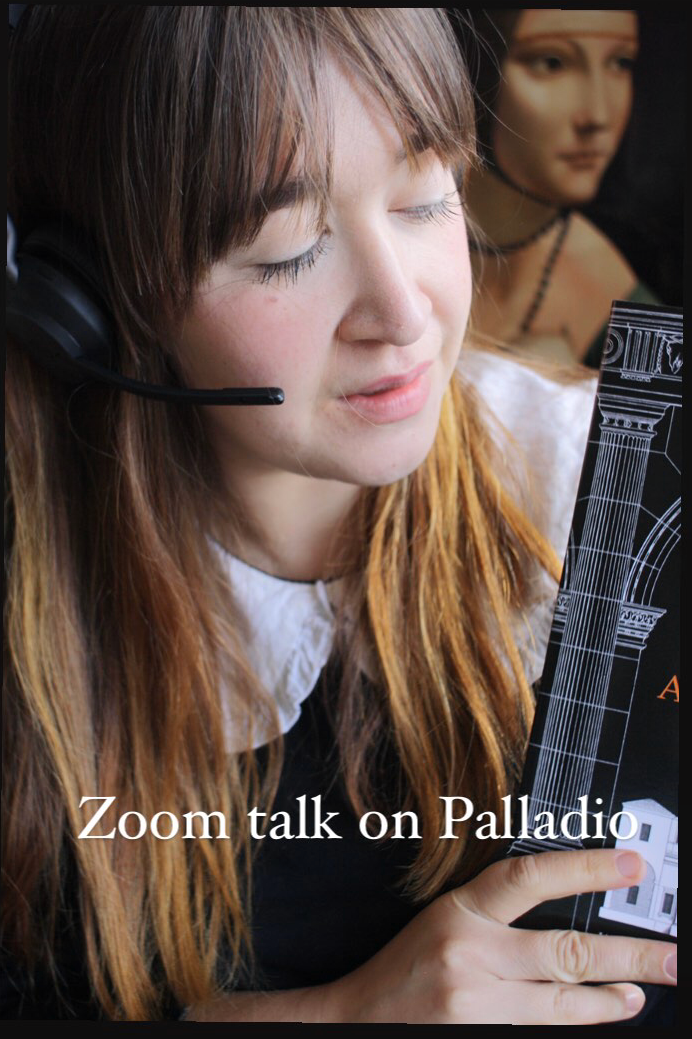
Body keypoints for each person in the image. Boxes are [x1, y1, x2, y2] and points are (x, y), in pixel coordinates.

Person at [3, 7, 676, 1023]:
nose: (403, 315)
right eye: (284, 248)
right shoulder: (29, 580)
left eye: (422, 196)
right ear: (91, 300)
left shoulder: (591, 488)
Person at [461, 9, 659, 367]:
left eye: (620, 63)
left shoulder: (625, 305)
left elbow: (662, 422)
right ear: (477, 65)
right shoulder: (391, 232)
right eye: (552, 63)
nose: (597, 116)